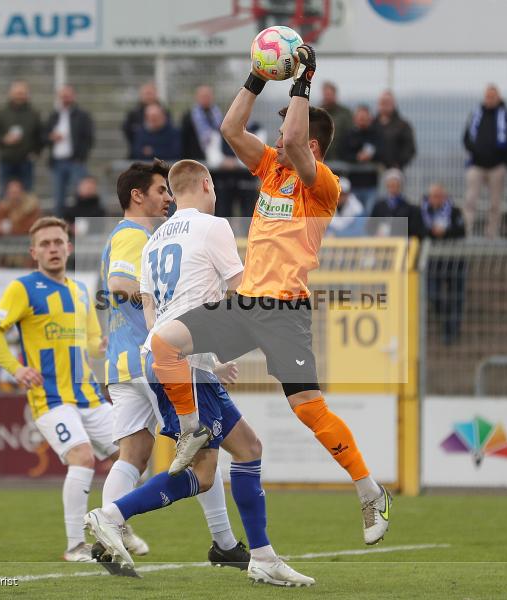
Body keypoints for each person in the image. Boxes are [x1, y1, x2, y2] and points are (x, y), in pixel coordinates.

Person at [148, 45, 392, 547]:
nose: (276, 140)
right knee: (164, 343)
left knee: (308, 408)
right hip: (245, 304)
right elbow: (230, 129)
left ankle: (370, 491)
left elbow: (297, 140)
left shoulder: (322, 185)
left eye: (283, 134)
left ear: (312, 145)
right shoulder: (272, 170)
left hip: (285, 310)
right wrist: (257, 77)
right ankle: (192, 429)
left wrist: (304, 79)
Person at [86, 159, 314, 587]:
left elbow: (154, 313)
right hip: (184, 369)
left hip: (166, 361)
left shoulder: (155, 241)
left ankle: (259, 555)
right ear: (207, 184)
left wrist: (206, 357)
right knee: (205, 471)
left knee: (246, 447)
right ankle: (112, 516)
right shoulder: (211, 227)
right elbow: (242, 291)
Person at [98, 160, 248, 569]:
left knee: (133, 455)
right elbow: (119, 284)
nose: (167, 197)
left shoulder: (142, 237)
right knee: (203, 448)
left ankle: (107, 538)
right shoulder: (135, 234)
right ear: (137, 196)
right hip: (153, 359)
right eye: (160, 190)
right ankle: (222, 541)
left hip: (126, 360)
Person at [0, 216, 128, 564]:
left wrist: (100, 346)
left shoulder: (80, 290)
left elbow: (91, 340)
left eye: (58, 242)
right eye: (45, 244)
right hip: (50, 398)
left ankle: (113, 528)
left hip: (89, 396)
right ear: (34, 252)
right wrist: (16, 368)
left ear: (68, 247)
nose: (53, 249)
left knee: (131, 454)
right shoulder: (23, 288)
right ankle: (75, 546)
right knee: (82, 457)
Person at [462, 84, 507, 238]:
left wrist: (506, 163)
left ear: (498, 98)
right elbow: (466, 138)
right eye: (487, 96)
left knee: (495, 204)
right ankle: (465, 231)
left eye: (493, 96)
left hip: (497, 166)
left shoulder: (506, 116)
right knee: (470, 200)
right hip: (476, 164)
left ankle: (491, 235)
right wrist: (474, 150)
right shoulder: (476, 115)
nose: (490, 99)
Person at [420, 183, 466, 344]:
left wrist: (445, 232)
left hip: (454, 261)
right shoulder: (423, 212)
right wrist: (432, 232)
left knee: (456, 298)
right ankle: (445, 322)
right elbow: (419, 230)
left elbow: (461, 231)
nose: (437, 199)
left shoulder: (454, 211)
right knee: (434, 295)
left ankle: (452, 332)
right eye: (434, 196)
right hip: (433, 262)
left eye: (440, 196)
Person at [0, 80, 44, 195]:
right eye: (17, 93)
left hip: (26, 162)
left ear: (27, 94)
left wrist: (36, 153)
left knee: (27, 195)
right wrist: (4, 139)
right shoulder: (1, 113)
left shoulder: (34, 114)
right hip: (6, 162)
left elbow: (41, 137)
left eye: (22, 93)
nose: (19, 96)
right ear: (10, 94)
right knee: (6, 195)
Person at [46, 84, 94, 218]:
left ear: (74, 96)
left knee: (81, 196)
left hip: (75, 162)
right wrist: (51, 137)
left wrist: (80, 157)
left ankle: (80, 225)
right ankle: (59, 224)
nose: (65, 98)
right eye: (63, 95)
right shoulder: (54, 116)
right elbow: (44, 135)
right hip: (57, 163)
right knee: (58, 198)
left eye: (68, 95)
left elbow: (88, 138)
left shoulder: (82, 116)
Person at [338, 105, 381, 212]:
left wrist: (370, 157)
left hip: (371, 184)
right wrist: (357, 157)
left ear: (370, 119)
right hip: (354, 184)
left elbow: (382, 152)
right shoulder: (348, 135)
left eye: (364, 118)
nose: (362, 120)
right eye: (360, 118)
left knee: (369, 214)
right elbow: (342, 153)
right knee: (353, 214)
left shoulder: (376, 135)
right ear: (355, 119)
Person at [367, 168, 423, 238]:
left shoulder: (409, 208)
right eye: (390, 184)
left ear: (400, 186)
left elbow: (413, 230)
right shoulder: (378, 206)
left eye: (395, 185)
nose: (393, 187)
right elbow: (370, 226)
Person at [122, 82, 172, 158]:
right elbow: (127, 131)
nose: (148, 96)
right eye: (146, 94)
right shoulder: (133, 114)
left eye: (150, 93)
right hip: (139, 154)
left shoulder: (165, 112)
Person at [373, 90, 416, 172]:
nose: (385, 106)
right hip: (372, 171)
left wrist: (398, 163)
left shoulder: (403, 125)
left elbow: (410, 148)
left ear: (393, 104)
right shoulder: (371, 124)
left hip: (394, 171)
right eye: (383, 103)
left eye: (387, 103)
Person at [319, 81, 352, 163]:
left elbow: (351, 133)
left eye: (329, 94)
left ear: (335, 95)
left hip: (341, 156)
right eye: (325, 94)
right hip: (323, 157)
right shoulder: (317, 113)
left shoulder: (345, 113)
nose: (327, 97)